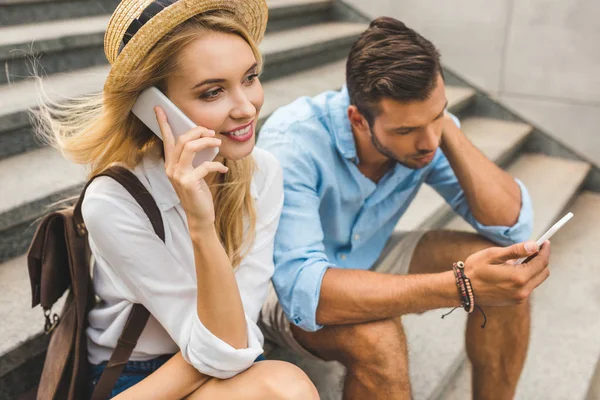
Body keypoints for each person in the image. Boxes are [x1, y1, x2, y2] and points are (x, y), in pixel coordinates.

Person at [34, 0, 318, 398]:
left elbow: (233, 340)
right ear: (154, 107)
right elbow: (229, 348)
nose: (246, 107)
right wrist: (200, 223)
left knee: (281, 385)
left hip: (219, 356)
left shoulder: (263, 171)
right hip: (140, 375)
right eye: (213, 92)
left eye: (250, 77)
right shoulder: (113, 201)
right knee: (280, 387)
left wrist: (228, 350)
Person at [257, 16, 551, 400]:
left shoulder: (427, 132)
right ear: (358, 119)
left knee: (505, 268)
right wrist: (457, 285)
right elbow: (304, 292)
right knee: (379, 337)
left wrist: (447, 129)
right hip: (274, 283)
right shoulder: (294, 141)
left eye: (436, 116)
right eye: (405, 131)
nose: (428, 143)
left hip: (364, 256)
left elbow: (510, 226)